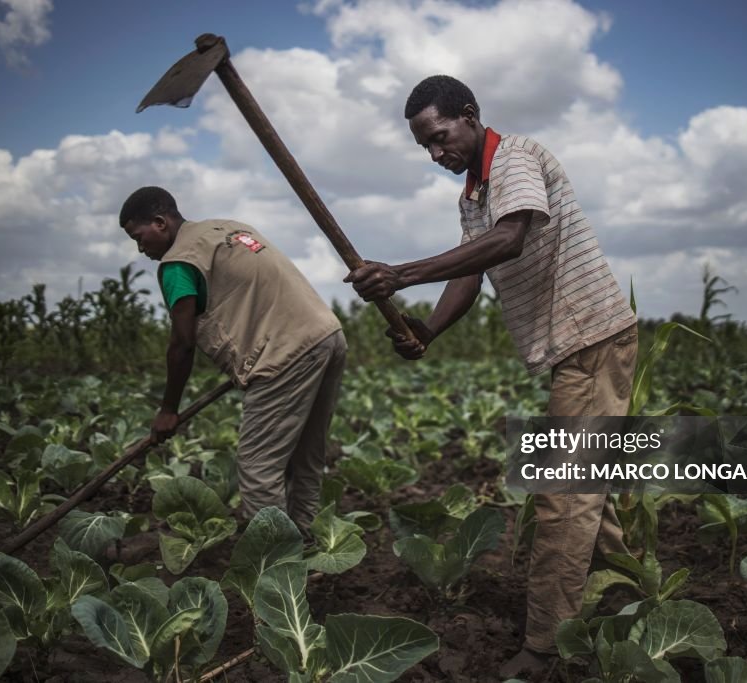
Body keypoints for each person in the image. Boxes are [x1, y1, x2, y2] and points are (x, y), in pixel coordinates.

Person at [344, 76, 639, 677]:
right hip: (576, 347)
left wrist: (399, 275)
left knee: (564, 498)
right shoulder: (474, 196)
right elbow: (469, 274)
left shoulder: (515, 159)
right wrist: (426, 331)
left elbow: (509, 241)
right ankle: (630, 600)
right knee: (589, 492)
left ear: (470, 116)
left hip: (591, 340)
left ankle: (545, 646)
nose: (436, 154)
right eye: (425, 146)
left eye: (440, 136)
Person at [119, 186, 346, 532]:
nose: (140, 248)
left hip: (284, 355)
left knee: (258, 467)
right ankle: (305, 541)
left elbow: (182, 343)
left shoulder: (179, 262)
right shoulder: (227, 229)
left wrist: (168, 410)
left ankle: (274, 564)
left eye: (139, 236)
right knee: (307, 457)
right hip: (327, 336)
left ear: (161, 222)